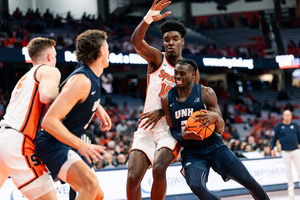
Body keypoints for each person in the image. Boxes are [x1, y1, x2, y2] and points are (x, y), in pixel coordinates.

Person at [161, 58, 270, 200]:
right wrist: (183, 136)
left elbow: (220, 128)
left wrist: (216, 118)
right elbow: (172, 130)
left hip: (215, 147)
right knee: (196, 186)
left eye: (182, 73)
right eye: (176, 73)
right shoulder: (167, 99)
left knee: (249, 181)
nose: (177, 76)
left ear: (193, 74)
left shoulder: (206, 93)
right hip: (192, 153)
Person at [126, 0, 200, 199]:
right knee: (133, 177)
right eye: (167, 39)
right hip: (146, 128)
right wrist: (148, 17)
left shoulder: (191, 70)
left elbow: (192, 100)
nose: (170, 42)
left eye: (175, 39)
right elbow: (135, 42)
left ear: (182, 41)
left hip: (170, 130)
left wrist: (162, 110)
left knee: (159, 169)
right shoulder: (157, 59)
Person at [35, 30, 111, 200]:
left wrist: (97, 106)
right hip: (52, 143)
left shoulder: (88, 74)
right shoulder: (82, 81)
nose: (109, 51)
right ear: (101, 51)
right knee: (90, 186)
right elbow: (48, 121)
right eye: (107, 47)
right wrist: (82, 145)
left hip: (64, 143)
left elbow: (67, 95)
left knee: (97, 194)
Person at [0, 37, 61, 199]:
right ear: (49, 57)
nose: (55, 60)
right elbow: (48, 95)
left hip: (3, 137)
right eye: (54, 56)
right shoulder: (49, 70)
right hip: (18, 142)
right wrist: (68, 96)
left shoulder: (23, 79)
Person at [271, 109, 300, 200]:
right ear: (283, 116)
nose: (287, 116)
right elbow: (275, 138)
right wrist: (272, 148)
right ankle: (291, 188)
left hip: (295, 150)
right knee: (288, 170)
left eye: (288, 115)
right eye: (285, 115)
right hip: (285, 151)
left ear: (291, 116)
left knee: (299, 168)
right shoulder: (279, 126)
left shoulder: (294, 125)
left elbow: (299, 137)